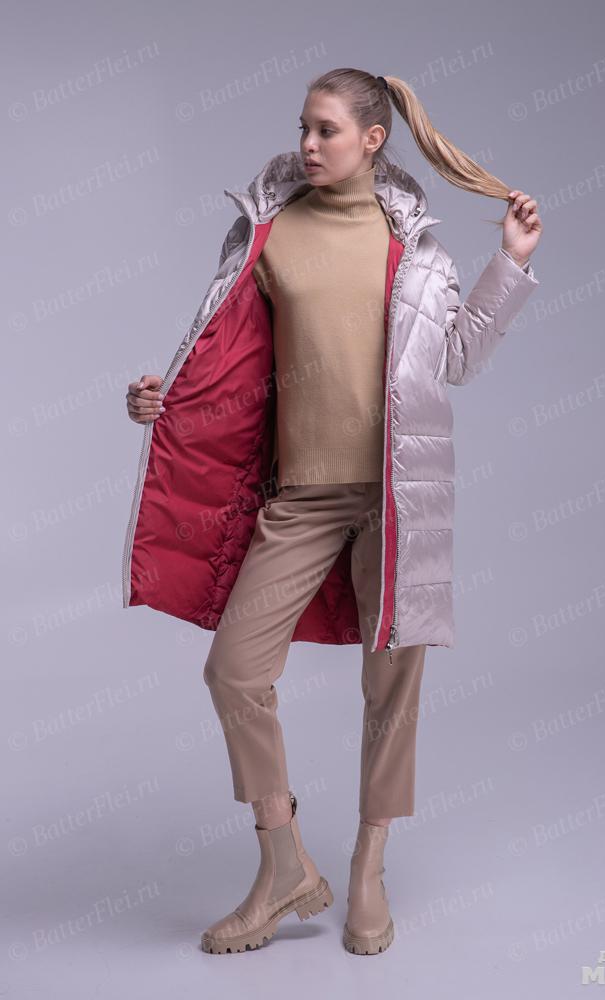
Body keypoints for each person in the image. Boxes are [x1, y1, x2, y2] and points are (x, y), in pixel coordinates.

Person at [124, 67, 542, 956]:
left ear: (371, 139)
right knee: (234, 671)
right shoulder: (267, 231)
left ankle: (367, 867)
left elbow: (458, 360)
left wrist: (508, 263)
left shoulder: (418, 252)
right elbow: (220, 350)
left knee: (390, 692)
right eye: (303, 129)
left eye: (325, 130)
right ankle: (283, 861)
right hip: (300, 498)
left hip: (397, 497)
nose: (307, 145)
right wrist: (160, 399)